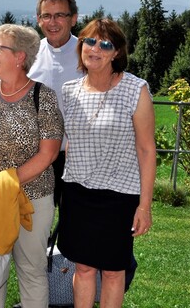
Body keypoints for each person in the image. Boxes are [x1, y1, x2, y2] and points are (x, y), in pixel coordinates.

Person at [0, 24, 64, 306]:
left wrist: (7, 182)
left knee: (31, 272)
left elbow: (49, 153)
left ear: (20, 56)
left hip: (32, 200)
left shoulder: (42, 96)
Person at [57, 18, 156, 308]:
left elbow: (147, 150)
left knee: (114, 271)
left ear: (117, 53)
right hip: (77, 192)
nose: (95, 49)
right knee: (83, 268)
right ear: (81, 46)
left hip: (119, 195)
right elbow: (72, 140)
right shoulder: (70, 90)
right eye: (89, 41)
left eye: (105, 44)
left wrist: (144, 205)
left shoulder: (135, 89)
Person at [27, 0, 83, 206]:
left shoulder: (88, 54)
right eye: (46, 16)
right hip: (35, 155)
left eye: (60, 15)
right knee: (35, 225)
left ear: (74, 19)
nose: (52, 22)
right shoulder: (29, 54)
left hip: (77, 156)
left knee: (74, 224)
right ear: (38, 19)